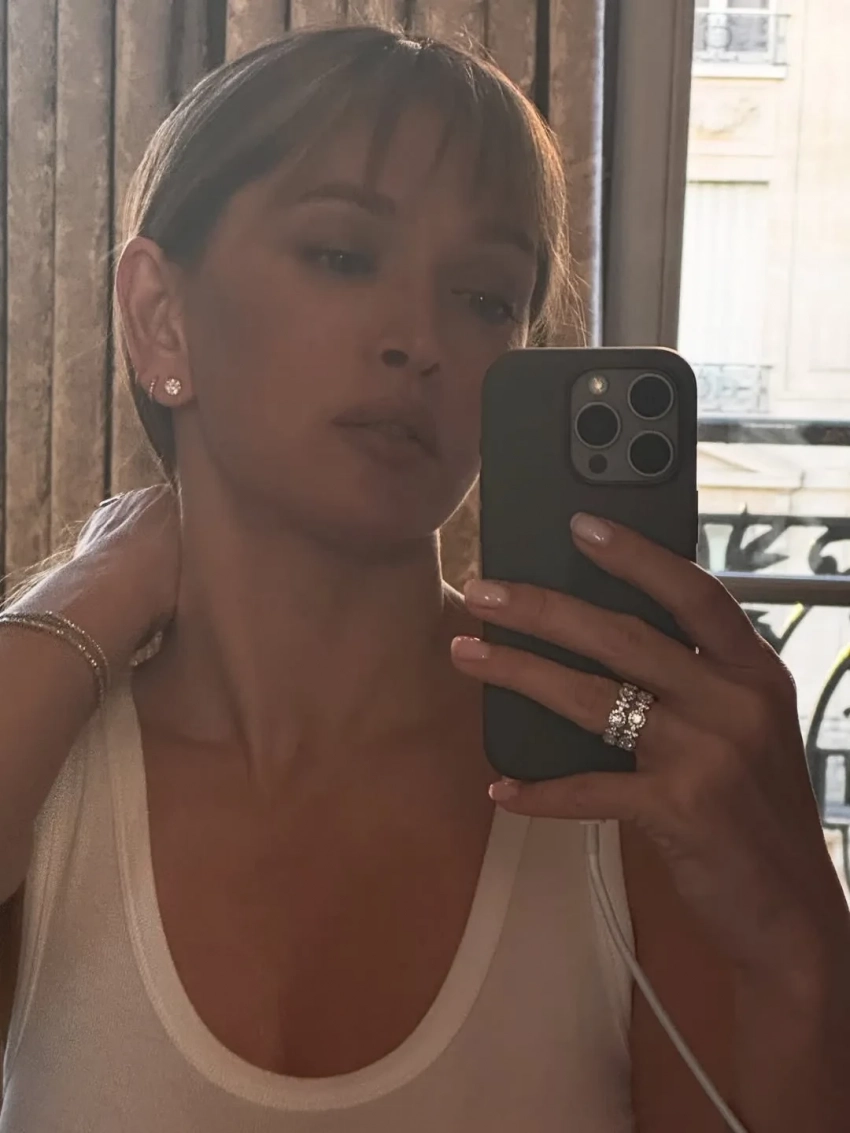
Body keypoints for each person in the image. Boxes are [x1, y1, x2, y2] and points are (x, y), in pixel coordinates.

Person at [0, 24, 848, 1133]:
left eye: (487, 297)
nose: (420, 338)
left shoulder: (617, 793)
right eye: (341, 255)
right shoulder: (44, 773)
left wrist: (804, 942)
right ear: (161, 317)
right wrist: (82, 597)